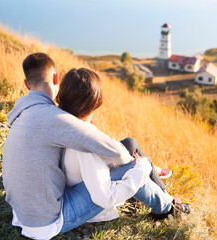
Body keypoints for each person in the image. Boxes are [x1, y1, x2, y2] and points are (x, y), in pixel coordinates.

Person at [1, 53, 187, 239]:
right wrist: (142, 166)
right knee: (133, 164)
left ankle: (162, 197)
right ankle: (166, 207)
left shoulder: (26, 113)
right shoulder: (55, 118)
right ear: (56, 77)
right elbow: (111, 155)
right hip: (46, 220)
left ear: (26, 84)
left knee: (129, 152)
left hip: (22, 210)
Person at [56, 68, 190, 234]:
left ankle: (164, 195)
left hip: (77, 180)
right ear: (93, 103)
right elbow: (104, 196)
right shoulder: (86, 143)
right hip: (85, 194)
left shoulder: (60, 121)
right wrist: (139, 169)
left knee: (129, 144)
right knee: (137, 166)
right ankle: (167, 207)